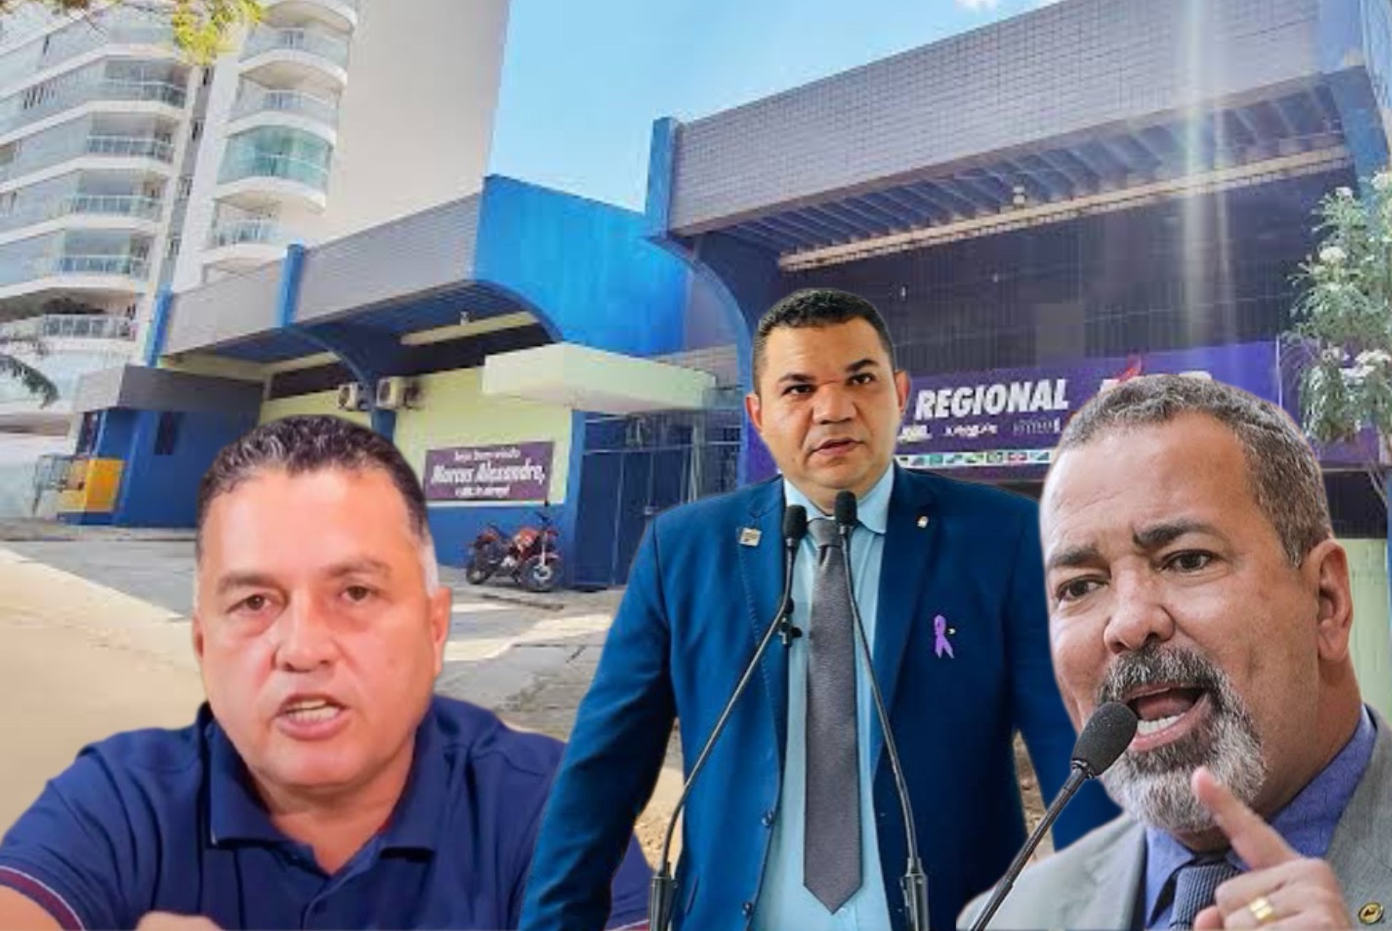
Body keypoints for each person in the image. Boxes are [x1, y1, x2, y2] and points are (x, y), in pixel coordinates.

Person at [522, 288, 1117, 931]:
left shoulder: (1003, 536)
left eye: (860, 379)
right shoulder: (684, 551)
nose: (833, 410)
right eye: (799, 389)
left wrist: (1122, 910)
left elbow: (1075, 755)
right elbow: (602, 773)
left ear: (900, 393)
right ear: (757, 414)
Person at [969, 374, 1392, 930]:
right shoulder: (1010, 917)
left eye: (1187, 560)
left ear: (1326, 600)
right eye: (1079, 587)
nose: (1127, 624)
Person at [0, 415, 652, 930]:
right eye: (254, 602)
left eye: (356, 593)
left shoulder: (552, 810)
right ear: (203, 643)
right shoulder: (119, 804)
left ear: (434, 628)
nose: (303, 648)